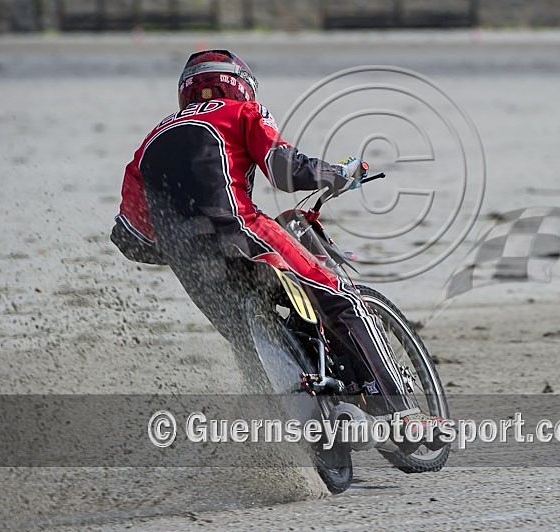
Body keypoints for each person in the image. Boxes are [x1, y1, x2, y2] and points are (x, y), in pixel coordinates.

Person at [110, 49, 444, 451]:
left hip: (190, 264)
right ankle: (404, 414)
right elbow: (286, 170)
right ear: (241, 86)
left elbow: (130, 238)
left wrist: (184, 240)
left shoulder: (146, 146)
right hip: (241, 230)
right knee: (341, 299)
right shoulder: (241, 112)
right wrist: (339, 173)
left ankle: (281, 440)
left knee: (249, 347)